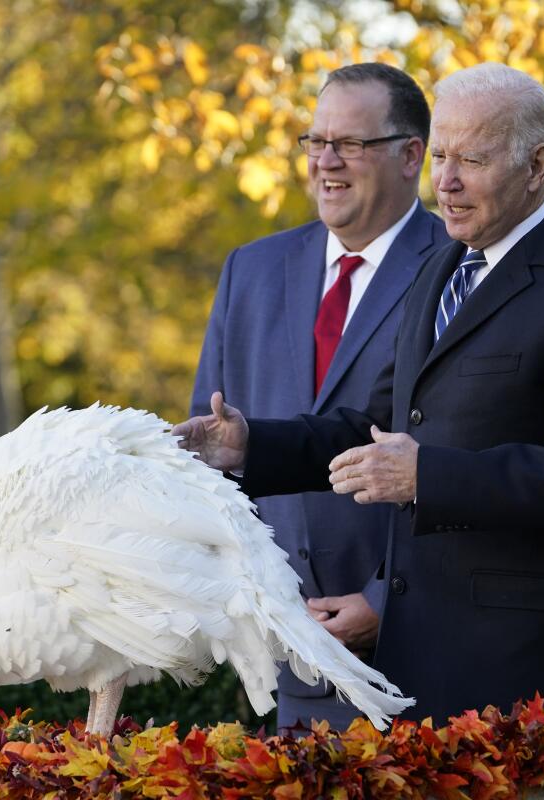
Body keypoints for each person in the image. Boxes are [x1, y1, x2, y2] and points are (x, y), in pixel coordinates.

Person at [176, 62, 544, 723]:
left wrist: (428, 474)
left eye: (472, 161)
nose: (446, 182)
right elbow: (371, 424)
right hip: (417, 673)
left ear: (536, 165)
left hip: (520, 682)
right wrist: (252, 445)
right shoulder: (444, 267)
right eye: (443, 157)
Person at [190, 63, 450, 731]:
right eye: (316, 140)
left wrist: (384, 599)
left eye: (351, 144)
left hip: (430, 657)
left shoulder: (459, 266)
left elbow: (470, 452)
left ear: (410, 156)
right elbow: (209, 461)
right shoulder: (250, 269)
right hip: (288, 666)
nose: (326, 161)